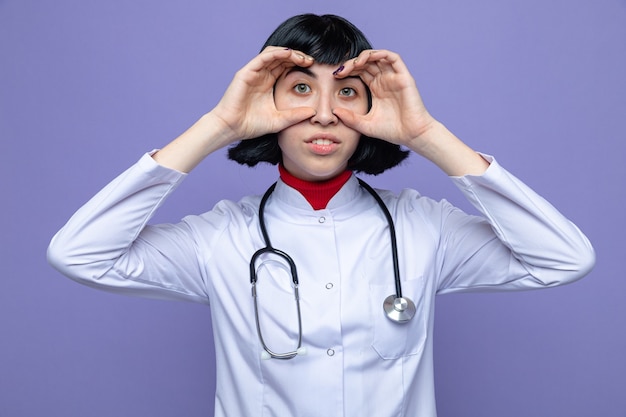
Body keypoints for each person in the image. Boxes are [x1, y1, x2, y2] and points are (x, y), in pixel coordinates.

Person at [47, 13, 595, 417]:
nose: (325, 114)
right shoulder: (220, 237)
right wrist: (220, 124)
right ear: (265, 106)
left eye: (348, 93)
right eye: (302, 90)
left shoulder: (423, 227)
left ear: (374, 112)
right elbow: (79, 254)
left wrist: (426, 134)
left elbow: (563, 259)